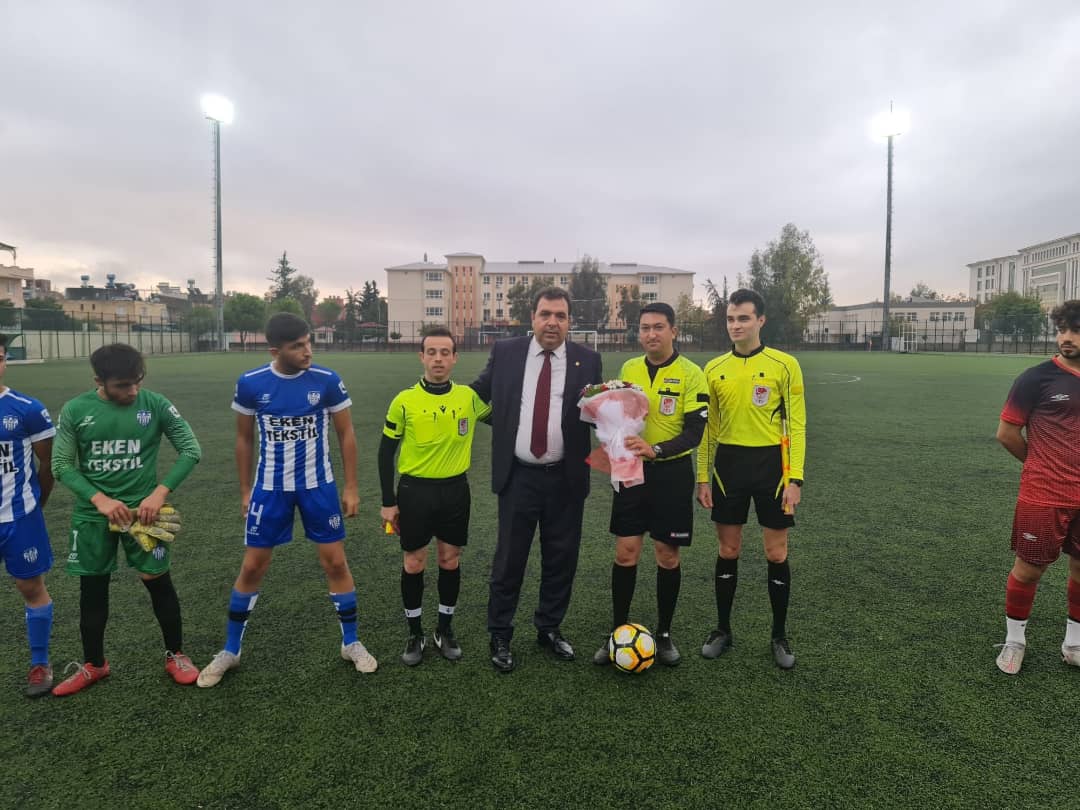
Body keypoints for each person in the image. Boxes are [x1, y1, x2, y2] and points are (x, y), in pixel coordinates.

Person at [198, 313, 376, 687]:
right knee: (252, 567)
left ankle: (351, 642)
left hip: (318, 486)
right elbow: (244, 439)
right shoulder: (251, 383)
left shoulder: (327, 380)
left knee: (335, 562)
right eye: (297, 346)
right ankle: (230, 649)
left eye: (308, 342)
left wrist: (351, 487)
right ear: (275, 351)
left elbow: (346, 434)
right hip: (270, 488)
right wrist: (245, 490)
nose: (307, 351)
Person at [51, 343, 202, 695]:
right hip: (93, 516)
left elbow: (191, 449)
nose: (132, 390)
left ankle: (176, 655)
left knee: (158, 581)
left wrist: (159, 493)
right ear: (99, 381)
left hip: (145, 514)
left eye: (137, 381)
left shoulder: (156, 404)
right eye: (122, 385)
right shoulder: (75, 410)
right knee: (93, 589)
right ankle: (94, 665)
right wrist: (100, 499)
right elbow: (61, 465)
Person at [471, 287, 602, 672]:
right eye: (546, 314)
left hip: (566, 479)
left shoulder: (588, 360)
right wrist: (501, 424)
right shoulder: (506, 352)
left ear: (570, 322)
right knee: (509, 560)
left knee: (561, 559)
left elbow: (597, 412)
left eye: (560, 316)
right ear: (532, 318)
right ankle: (500, 633)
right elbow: (477, 396)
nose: (552, 322)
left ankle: (549, 627)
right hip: (518, 477)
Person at [592, 303, 707, 668]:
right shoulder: (629, 369)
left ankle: (665, 633)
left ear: (674, 331)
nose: (651, 334)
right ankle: (617, 631)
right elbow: (618, 416)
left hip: (671, 474)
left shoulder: (691, 374)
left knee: (666, 555)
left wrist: (656, 450)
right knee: (625, 552)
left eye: (658, 327)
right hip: (631, 472)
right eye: (645, 328)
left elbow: (695, 432)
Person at [696, 288, 805, 670]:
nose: (736, 325)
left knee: (776, 553)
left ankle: (779, 635)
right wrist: (702, 478)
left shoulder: (784, 365)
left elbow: (797, 425)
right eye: (731, 319)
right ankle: (722, 630)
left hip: (772, 468)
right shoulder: (714, 369)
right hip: (728, 467)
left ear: (761, 320)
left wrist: (796, 479)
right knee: (728, 550)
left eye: (743, 318)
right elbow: (708, 430)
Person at [378, 326, 491, 666]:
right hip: (414, 492)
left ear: (455, 358)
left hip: (455, 490)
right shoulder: (404, 400)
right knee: (414, 562)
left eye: (445, 353)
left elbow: (506, 421)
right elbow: (386, 453)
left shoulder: (469, 398)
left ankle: (444, 629)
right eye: (432, 352)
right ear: (421, 356)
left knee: (449, 560)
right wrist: (388, 501)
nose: (438, 359)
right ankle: (415, 633)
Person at [994, 300, 1080, 675]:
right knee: (1029, 570)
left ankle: (1074, 644)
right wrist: (1040, 464)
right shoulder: (1036, 378)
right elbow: (1007, 433)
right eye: (1062, 330)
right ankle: (1015, 641)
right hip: (1044, 494)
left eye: (1075, 330)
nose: (1067, 338)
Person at [0, 335, 57, 697]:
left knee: (31, 588)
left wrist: (37, 502)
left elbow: (47, 464)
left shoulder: (27, 409)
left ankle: (40, 663)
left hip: (19, 517)